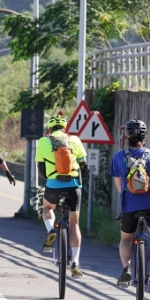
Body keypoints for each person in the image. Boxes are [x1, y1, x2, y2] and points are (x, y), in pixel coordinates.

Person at [110, 119, 150, 286]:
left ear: (127, 136)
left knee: (126, 238)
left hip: (129, 206)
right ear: (145, 137)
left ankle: (126, 269)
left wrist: (127, 196)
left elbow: (119, 186)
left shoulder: (118, 157)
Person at [37, 115, 87, 278]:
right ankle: (76, 262)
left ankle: (51, 229)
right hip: (73, 185)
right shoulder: (75, 140)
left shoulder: (43, 141)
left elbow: (41, 166)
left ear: (50, 128)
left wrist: (50, 178)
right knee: (74, 224)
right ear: (64, 128)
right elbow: (84, 165)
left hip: (53, 184)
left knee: (47, 208)